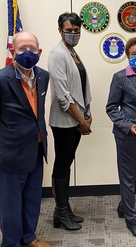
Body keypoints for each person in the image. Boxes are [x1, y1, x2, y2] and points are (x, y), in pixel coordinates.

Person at [0, 32, 50, 247]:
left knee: (32, 200)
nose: (28, 52)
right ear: (12, 51)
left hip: (35, 150)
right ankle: (11, 243)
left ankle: (28, 237)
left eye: (32, 48)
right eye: (22, 48)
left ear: (39, 52)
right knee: (10, 206)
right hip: (8, 156)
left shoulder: (44, 76)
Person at [106, 36, 136, 240]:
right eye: (133, 54)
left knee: (134, 174)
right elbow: (111, 108)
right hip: (127, 134)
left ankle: (123, 207)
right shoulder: (120, 77)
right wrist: (128, 125)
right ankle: (131, 219)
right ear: (127, 56)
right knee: (128, 177)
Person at [48, 12, 92, 231]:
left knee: (67, 163)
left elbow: (81, 86)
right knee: (62, 165)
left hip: (76, 120)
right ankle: (61, 212)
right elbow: (63, 95)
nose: (73, 34)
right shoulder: (57, 54)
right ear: (60, 31)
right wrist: (81, 121)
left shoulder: (73, 52)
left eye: (76, 30)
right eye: (69, 30)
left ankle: (62, 211)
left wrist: (88, 113)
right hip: (64, 121)